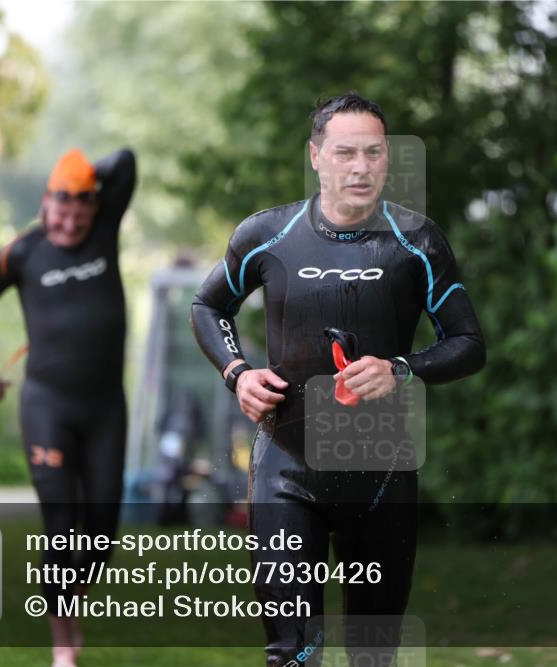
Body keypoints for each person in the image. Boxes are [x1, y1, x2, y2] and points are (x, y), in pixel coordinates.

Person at [190, 92, 485, 666]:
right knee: (293, 655)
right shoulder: (267, 235)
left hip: (382, 472)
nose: (360, 167)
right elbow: (207, 305)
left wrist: (402, 369)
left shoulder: (416, 243)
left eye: (374, 153)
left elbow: (469, 344)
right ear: (316, 156)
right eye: (346, 152)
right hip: (286, 471)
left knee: (372, 657)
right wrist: (237, 373)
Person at [0, 147, 136, 667]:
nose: (69, 222)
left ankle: (64, 602)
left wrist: (82, 175)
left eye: (80, 211)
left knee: (102, 535)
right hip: (48, 406)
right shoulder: (24, 251)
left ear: (93, 208)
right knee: (61, 525)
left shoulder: (104, 227)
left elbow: (125, 161)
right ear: (44, 204)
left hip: (106, 407)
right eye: (60, 211)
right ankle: (63, 644)